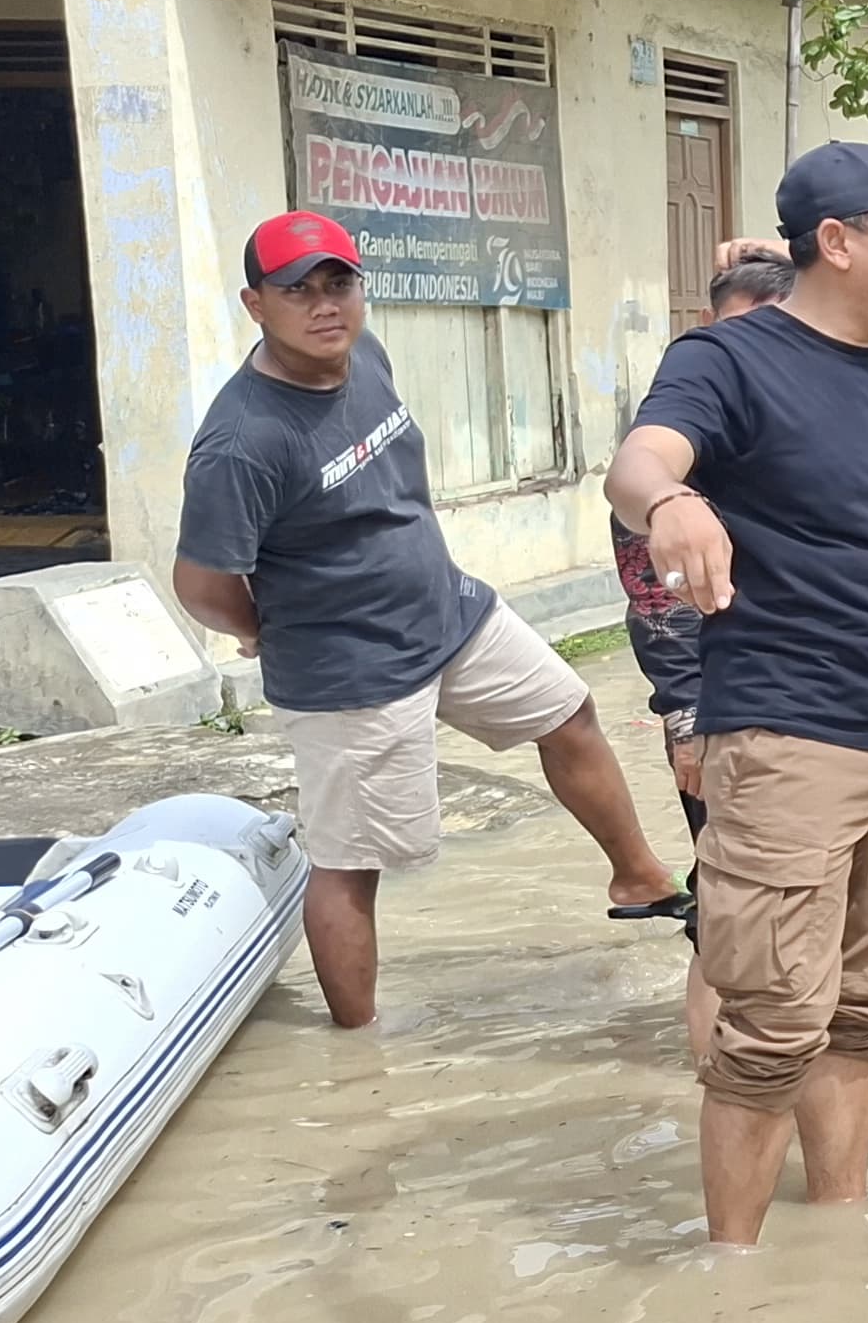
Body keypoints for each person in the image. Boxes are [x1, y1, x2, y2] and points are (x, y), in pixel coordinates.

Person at [610, 142, 868, 1248]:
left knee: (861, 1016)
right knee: (772, 1026)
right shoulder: (728, 362)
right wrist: (672, 503)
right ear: (835, 241)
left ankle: (839, 1245)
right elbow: (637, 462)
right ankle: (732, 1274)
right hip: (788, 738)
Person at [173, 210, 683, 1032]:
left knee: (569, 712)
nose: (324, 304)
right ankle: (358, 1046)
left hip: (451, 613)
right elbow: (199, 583)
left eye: (338, 283)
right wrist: (266, 630)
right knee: (351, 860)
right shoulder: (243, 441)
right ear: (254, 305)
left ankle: (637, 874)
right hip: (351, 669)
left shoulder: (363, 355)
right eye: (297, 290)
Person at [613, 245, 797, 1067]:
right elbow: (657, 612)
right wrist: (688, 721)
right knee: (724, 909)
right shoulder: (668, 450)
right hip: (715, 710)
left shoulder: (803, 411)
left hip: (806, 703)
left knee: (803, 907)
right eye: (734, 336)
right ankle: (718, 1083)